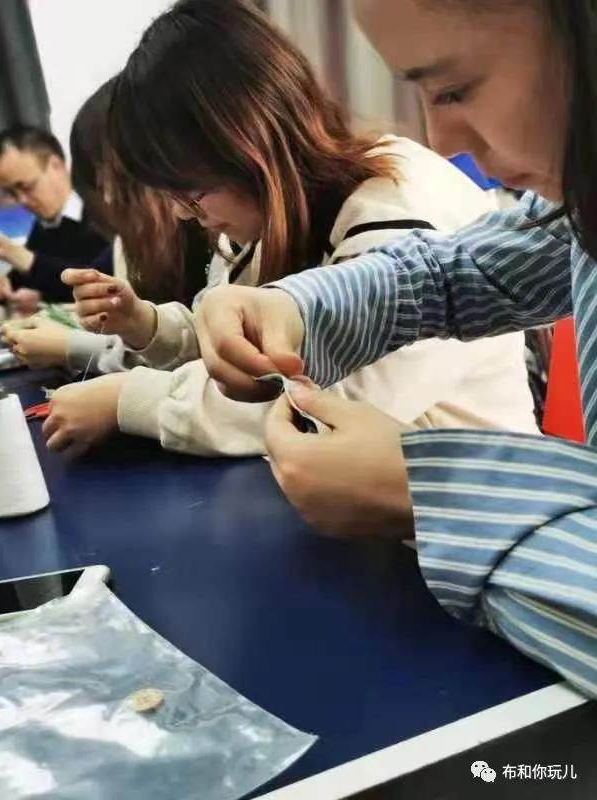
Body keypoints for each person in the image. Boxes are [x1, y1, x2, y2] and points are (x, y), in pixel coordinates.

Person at [191, 0, 597, 698]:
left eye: (455, 89)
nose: (443, 140)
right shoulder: (580, 203)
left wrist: (438, 494)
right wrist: (297, 306)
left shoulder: (381, 200)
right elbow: (460, 270)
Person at [40, 0, 537, 457]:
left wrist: (132, 400)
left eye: (191, 192)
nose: (183, 214)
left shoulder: (395, 209)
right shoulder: (278, 217)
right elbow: (245, 349)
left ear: (246, 145)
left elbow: (322, 408)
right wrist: (151, 327)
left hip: (471, 500)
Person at [4, 81, 211, 370]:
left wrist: (72, 345)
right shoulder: (126, 236)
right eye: (12, 193)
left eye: (26, 187)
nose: (110, 197)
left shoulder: (209, 234)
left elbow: (199, 352)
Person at [0, 125, 108, 302]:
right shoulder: (43, 226)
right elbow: (30, 279)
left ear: (56, 165)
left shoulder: (104, 213)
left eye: (27, 187)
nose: (22, 201)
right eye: (12, 193)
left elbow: (101, 280)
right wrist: (7, 286)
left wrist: (20, 256)